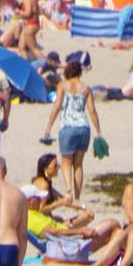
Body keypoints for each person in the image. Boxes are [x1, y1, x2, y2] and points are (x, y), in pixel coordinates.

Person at [40, 56, 102, 201]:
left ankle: (68, 190)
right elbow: (92, 110)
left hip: (67, 127)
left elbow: (57, 106)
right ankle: (78, 195)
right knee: (79, 164)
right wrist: (98, 131)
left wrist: (48, 127)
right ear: (80, 73)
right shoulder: (86, 88)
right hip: (83, 127)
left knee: (66, 162)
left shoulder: (62, 85)